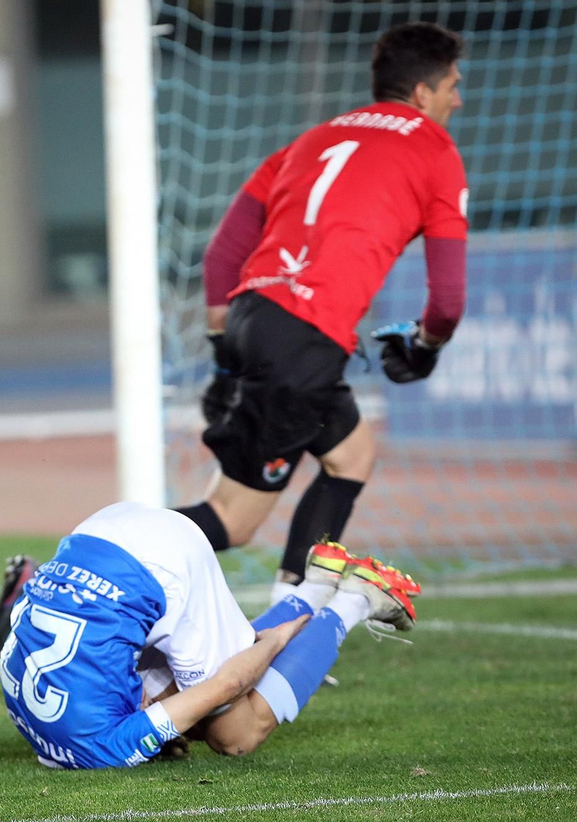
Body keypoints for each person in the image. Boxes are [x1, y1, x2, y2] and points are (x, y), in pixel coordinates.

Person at [175, 21, 470, 612]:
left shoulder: (310, 140)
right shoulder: (436, 153)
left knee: (352, 454)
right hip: (303, 341)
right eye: (451, 87)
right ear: (420, 94)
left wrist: (225, 347)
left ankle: (289, 620)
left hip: (258, 317)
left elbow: (223, 256)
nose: (456, 100)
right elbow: (448, 301)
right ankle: (63, 572)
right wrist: (426, 346)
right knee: (232, 522)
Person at [0, 504, 419, 768]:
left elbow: (227, 684)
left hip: (162, 567)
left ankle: (358, 597)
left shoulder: (107, 747)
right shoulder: (35, 729)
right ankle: (319, 583)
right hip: (97, 532)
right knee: (191, 708)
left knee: (234, 734)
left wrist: (275, 640)